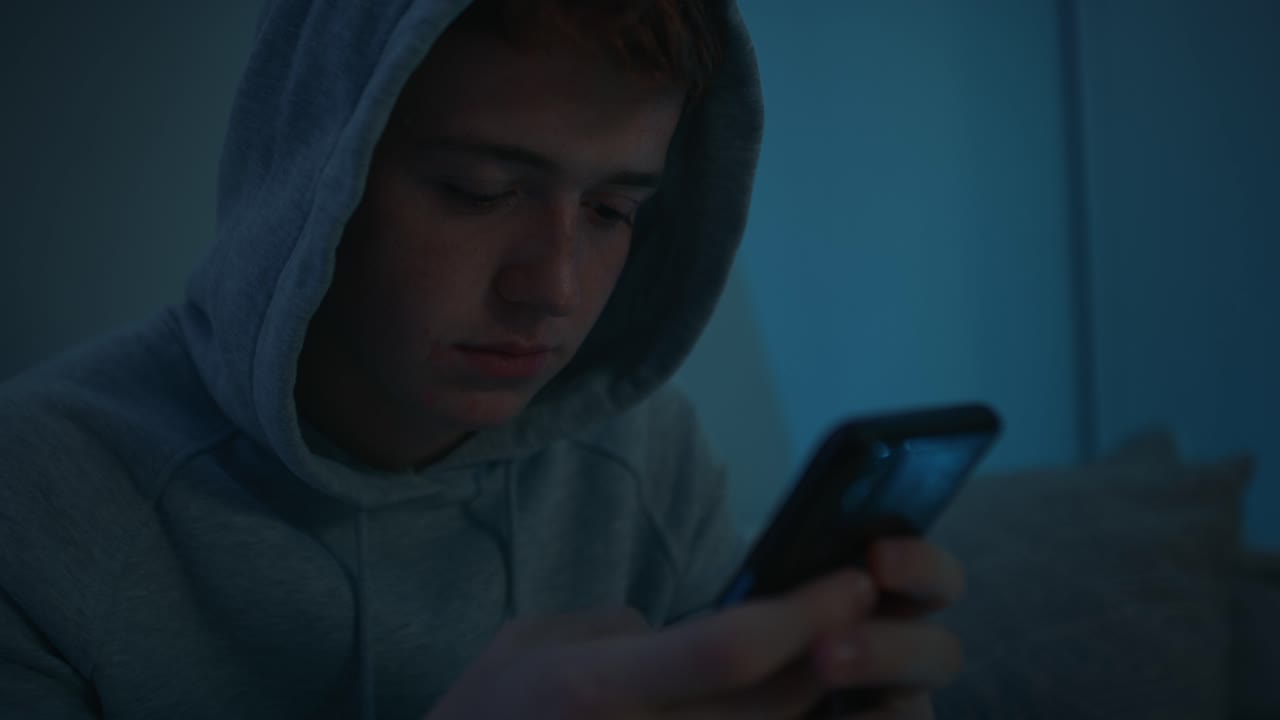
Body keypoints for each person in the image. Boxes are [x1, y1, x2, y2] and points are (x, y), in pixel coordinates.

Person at [0, 0, 967, 717]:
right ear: (314, 183)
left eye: (610, 212)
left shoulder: (646, 458)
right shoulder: (34, 501)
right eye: (477, 189)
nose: (553, 288)